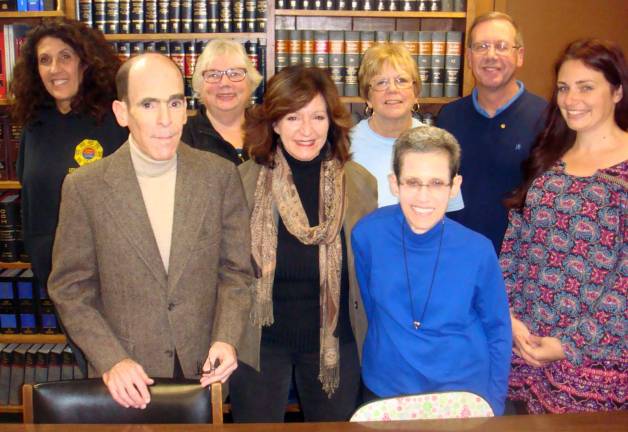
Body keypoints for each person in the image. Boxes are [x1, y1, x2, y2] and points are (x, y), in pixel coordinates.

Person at [48, 53, 254, 410]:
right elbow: (70, 289)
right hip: (125, 380)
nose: (166, 120)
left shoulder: (219, 176)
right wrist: (111, 358)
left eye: (175, 103)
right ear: (121, 112)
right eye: (148, 104)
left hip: (202, 374)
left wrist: (226, 339)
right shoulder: (85, 188)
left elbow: (236, 272)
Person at [229, 65, 378, 422]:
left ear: (333, 121)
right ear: (274, 123)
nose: (307, 130)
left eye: (318, 116)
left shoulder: (359, 184)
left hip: (334, 341)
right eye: (293, 117)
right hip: (260, 342)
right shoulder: (242, 181)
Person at [500, 39, 627, 413]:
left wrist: (568, 344)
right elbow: (517, 244)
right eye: (563, 87)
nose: (571, 99)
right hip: (526, 348)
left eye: (586, 87)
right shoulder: (548, 155)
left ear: (617, 91)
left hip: (596, 360)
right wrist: (508, 316)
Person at [352, 126, 512, 416]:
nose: (423, 197)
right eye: (412, 182)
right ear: (394, 183)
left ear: (455, 186)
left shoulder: (478, 250)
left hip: (461, 393)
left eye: (436, 183)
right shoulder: (367, 234)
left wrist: (494, 405)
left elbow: (498, 331)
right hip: (386, 389)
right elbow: (367, 307)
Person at [12, 18, 126, 313]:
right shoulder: (33, 125)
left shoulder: (115, 120)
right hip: (58, 281)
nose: (54, 69)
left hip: (113, 278)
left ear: (85, 63)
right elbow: (31, 200)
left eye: (65, 57)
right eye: (45, 60)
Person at [437, 12, 547, 253]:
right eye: (481, 46)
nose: (491, 55)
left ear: (519, 55)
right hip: (457, 256)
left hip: (521, 263)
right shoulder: (449, 117)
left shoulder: (547, 119)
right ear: (468, 57)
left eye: (501, 46)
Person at [352, 42, 463, 211]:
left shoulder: (438, 145)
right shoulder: (344, 145)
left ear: (415, 93)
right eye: (381, 82)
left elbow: (449, 217)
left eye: (401, 80)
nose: (392, 89)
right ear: (368, 97)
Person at [181, 39, 262, 164]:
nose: (224, 83)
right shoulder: (181, 137)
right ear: (199, 84)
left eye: (235, 73)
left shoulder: (269, 132)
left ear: (250, 82)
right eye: (213, 75)